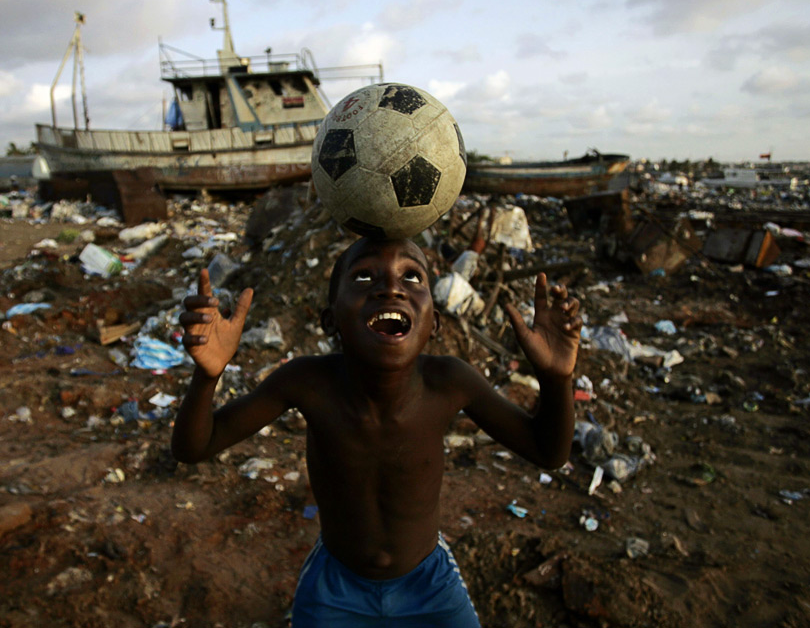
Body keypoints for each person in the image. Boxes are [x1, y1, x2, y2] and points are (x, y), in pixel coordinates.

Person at [173, 236, 582, 627]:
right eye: (365, 277)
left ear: (434, 322)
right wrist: (207, 375)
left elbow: (549, 453)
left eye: (412, 277)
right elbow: (194, 447)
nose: (392, 289)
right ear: (331, 320)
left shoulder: (450, 382)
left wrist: (556, 378)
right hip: (335, 589)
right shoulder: (307, 383)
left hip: (429, 585)